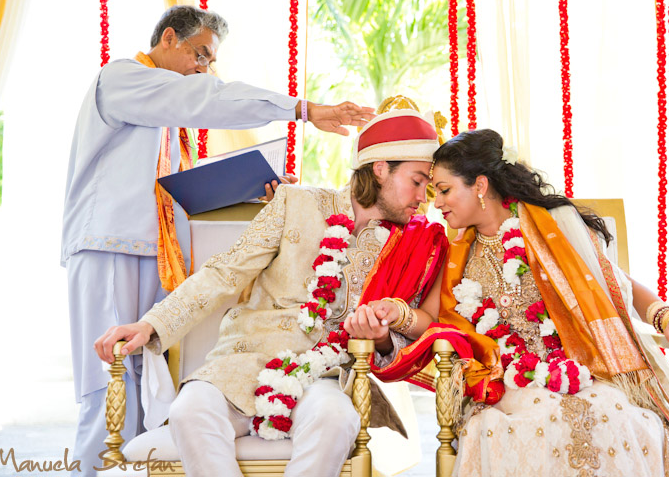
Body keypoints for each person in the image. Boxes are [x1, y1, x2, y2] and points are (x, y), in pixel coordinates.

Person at [62, 4, 375, 475]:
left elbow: (181, 190)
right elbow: (207, 98)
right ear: (169, 38)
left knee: (153, 382)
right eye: (201, 55)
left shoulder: (169, 113)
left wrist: (255, 189)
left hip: (163, 254)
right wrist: (304, 110)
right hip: (110, 247)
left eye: (210, 61)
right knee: (107, 382)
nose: (204, 69)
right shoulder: (123, 79)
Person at [94, 109, 449, 477]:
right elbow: (224, 272)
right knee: (189, 412)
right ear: (380, 169)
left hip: (321, 377)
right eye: (417, 181)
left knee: (337, 420)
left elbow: (410, 325)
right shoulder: (295, 203)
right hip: (241, 361)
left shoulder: (411, 245)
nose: (423, 197)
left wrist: (380, 338)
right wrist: (150, 325)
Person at [424, 129, 669, 476]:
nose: (436, 203)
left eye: (444, 190)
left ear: (480, 186)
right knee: (524, 426)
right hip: (505, 382)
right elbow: (432, 318)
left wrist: (667, 316)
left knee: (618, 417)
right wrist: (396, 315)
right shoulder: (454, 257)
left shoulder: (549, 226)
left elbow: (614, 285)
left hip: (582, 367)